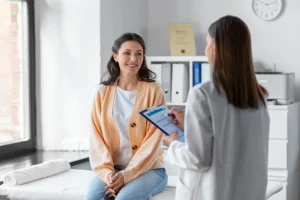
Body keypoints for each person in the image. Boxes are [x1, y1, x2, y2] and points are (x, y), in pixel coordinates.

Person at [163, 15, 270, 200]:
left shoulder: (202, 93)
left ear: (216, 45)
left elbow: (197, 158)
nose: (205, 51)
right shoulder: (258, 96)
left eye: (207, 42)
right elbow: (232, 140)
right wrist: (188, 128)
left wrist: (172, 145)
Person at [86, 33, 168, 200]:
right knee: (94, 197)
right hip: (112, 169)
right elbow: (96, 139)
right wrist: (108, 174)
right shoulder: (102, 92)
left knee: (125, 198)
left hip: (150, 169)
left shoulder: (154, 90)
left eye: (139, 53)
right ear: (115, 56)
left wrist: (127, 175)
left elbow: (154, 139)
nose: (133, 58)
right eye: (127, 53)